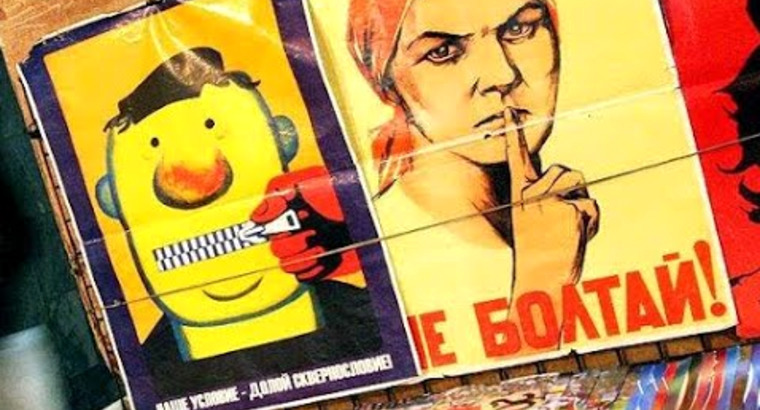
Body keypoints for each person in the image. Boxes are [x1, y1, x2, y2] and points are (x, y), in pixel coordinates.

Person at [342, 0, 599, 361]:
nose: (501, 76)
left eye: (518, 29)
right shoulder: (391, 251)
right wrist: (543, 279)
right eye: (443, 52)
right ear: (388, 85)